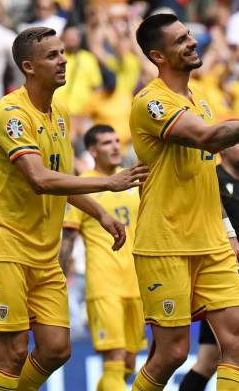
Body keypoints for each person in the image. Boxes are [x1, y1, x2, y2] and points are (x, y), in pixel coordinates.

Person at [129, 13, 239, 390]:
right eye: (180, 40)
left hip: (211, 242)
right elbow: (208, 139)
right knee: (172, 354)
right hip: (166, 242)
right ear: (157, 56)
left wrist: (229, 235)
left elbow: (206, 177)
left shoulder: (201, 101)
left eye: (189, 35)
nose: (192, 42)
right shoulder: (150, 103)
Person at [0, 26, 147, 391]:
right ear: (28, 67)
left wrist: (99, 212)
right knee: (14, 352)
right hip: (3, 247)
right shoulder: (11, 114)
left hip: (43, 253)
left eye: (63, 52)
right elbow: (39, 179)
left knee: (56, 349)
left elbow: (61, 177)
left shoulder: (61, 114)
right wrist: (108, 184)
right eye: (52, 56)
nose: (63, 60)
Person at [60, 125, 146, 390]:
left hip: (138, 283)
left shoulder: (132, 181)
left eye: (117, 141)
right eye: (107, 143)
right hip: (104, 283)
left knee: (129, 363)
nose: (116, 146)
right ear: (93, 151)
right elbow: (67, 240)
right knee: (114, 359)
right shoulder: (83, 184)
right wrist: (59, 282)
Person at [180, 137, 239, 391]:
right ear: (224, 148)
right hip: (217, 274)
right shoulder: (211, 179)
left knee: (206, 361)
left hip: (237, 275)